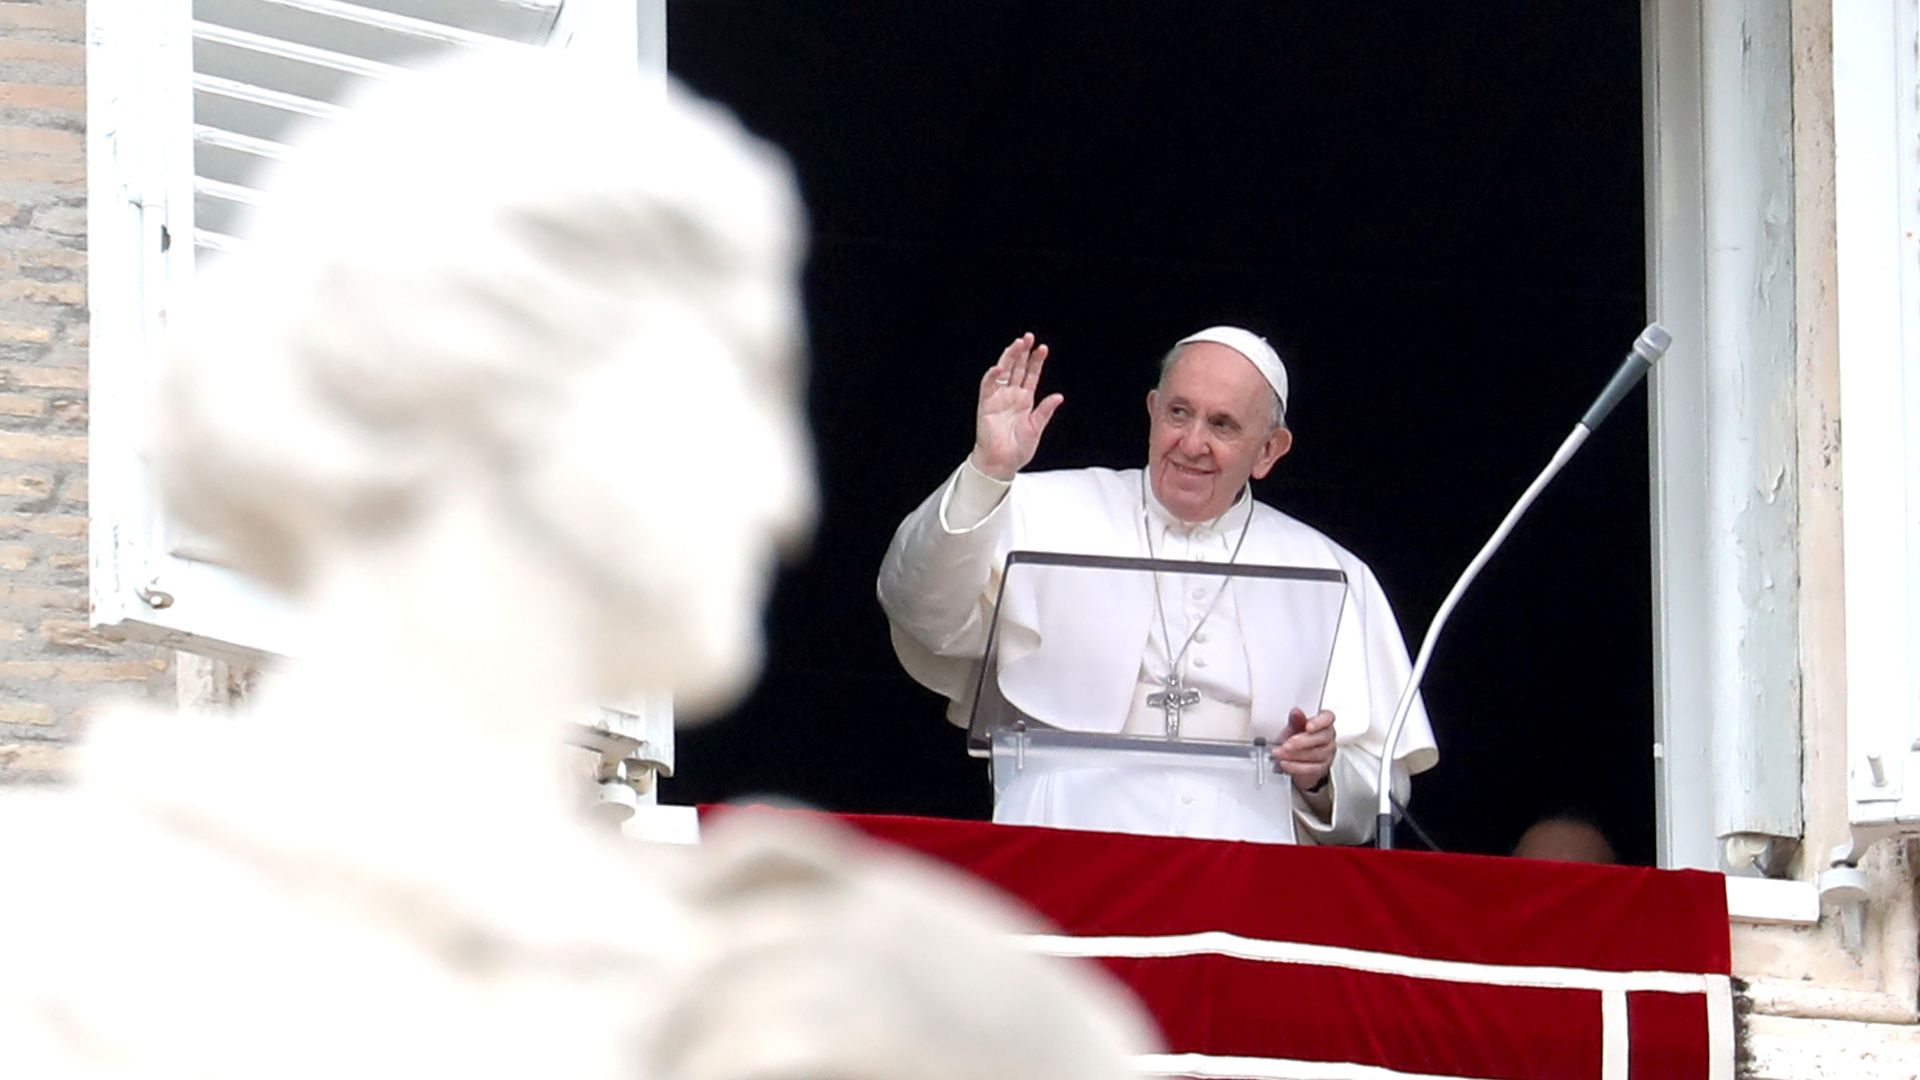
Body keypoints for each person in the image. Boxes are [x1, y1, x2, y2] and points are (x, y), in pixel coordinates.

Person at [878, 328, 1438, 844]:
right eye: (1179, 413)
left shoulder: (1331, 572)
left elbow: (1380, 789)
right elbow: (918, 607)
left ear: (1269, 450)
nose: (1192, 443)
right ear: (1151, 412)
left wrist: (1322, 775)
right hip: (1062, 835)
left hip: (1241, 862)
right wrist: (987, 471)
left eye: (1222, 424)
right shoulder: (1036, 507)